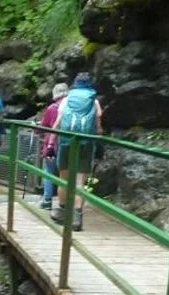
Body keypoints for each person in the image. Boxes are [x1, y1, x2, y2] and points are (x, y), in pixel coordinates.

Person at [51, 72, 103, 230]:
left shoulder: (67, 99)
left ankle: (61, 211)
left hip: (66, 142)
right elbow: (99, 124)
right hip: (85, 143)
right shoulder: (93, 101)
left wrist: (50, 144)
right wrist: (99, 140)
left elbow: (57, 124)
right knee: (80, 181)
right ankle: (77, 217)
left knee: (64, 178)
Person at [39, 83, 69, 211]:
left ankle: (47, 200)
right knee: (66, 175)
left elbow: (43, 126)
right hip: (68, 145)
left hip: (52, 145)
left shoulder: (52, 108)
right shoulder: (71, 106)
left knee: (49, 171)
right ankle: (65, 204)